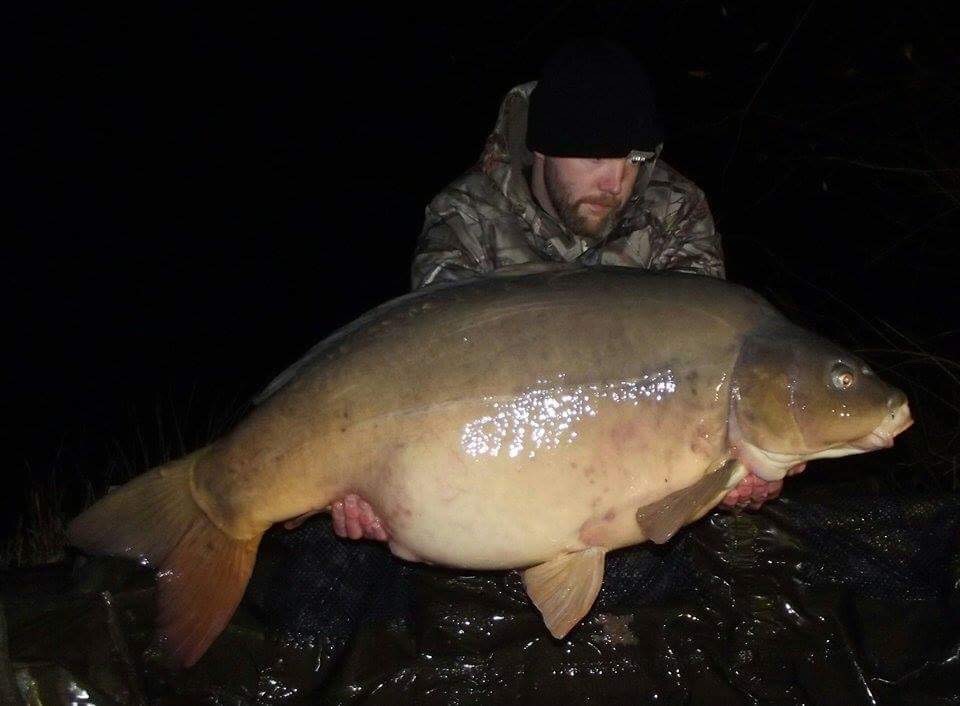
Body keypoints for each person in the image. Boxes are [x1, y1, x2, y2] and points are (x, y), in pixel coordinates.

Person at [331, 38, 803, 542]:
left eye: (636, 157)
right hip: (494, 470)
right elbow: (428, 380)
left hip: (623, 477)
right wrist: (379, 485)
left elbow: (701, 377)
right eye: (596, 156)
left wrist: (735, 463)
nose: (616, 181)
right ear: (541, 147)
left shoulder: (675, 212)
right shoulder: (465, 216)